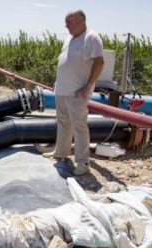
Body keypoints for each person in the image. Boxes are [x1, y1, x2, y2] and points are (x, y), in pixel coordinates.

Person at [43, 9, 104, 176]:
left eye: (69, 22)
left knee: (79, 126)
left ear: (81, 21)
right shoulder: (69, 39)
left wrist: (88, 86)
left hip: (77, 92)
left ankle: (82, 162)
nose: (66, 26)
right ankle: (61, 153)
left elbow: (99, 62)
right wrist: (57, 84)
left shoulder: (91, 38)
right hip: (62, 90)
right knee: (63, 122)